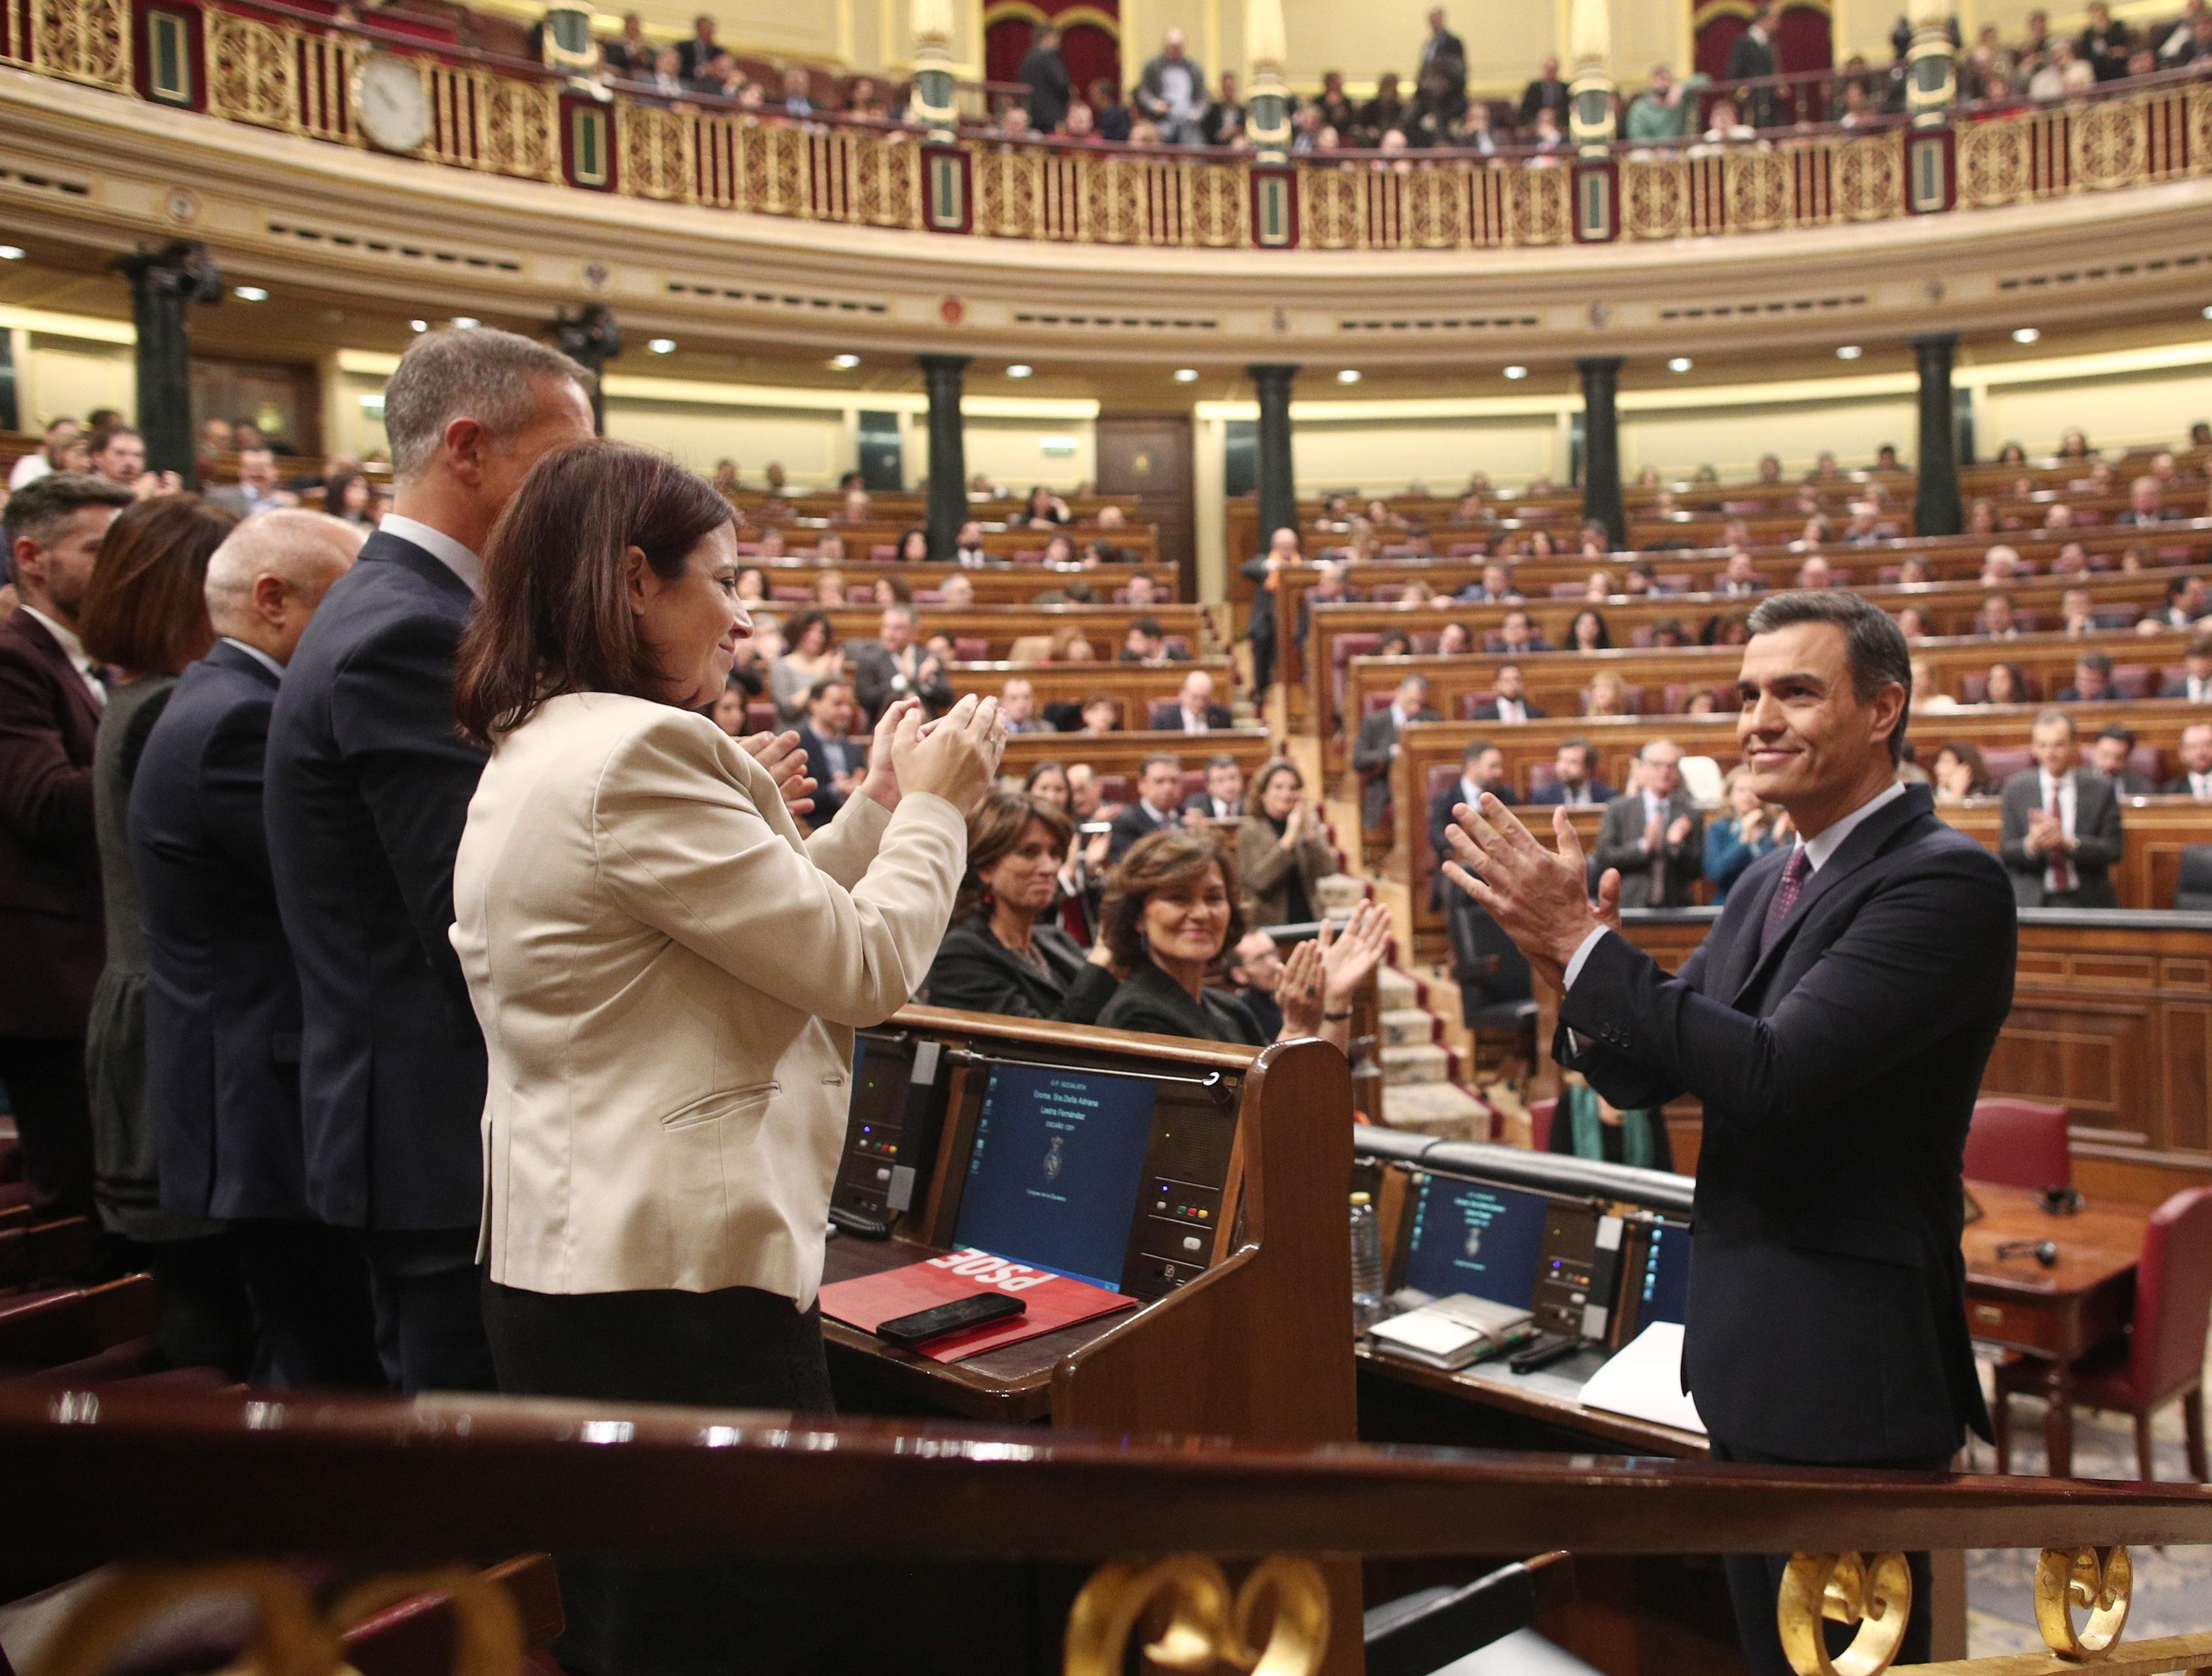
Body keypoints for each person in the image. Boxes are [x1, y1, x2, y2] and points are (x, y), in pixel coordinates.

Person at [448, 437, 1003, 1676]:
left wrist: (867, 812)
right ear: (634, 581)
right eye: (723, 578)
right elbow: (864, 970)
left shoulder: (546, 740)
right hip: (676, 1293)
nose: (744, 619)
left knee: (645, 1620)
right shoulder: (642, 752)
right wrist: (940, 809)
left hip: (582, 1261)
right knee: (740, 1627)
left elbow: (739, 930)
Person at [1439, 589, 2013, 1676]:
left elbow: (1773, 1074)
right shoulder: (1767, 875)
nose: (1756, 718)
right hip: (1745, 1355)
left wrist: (1589, 943)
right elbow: (1648, 1071)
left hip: (1851, 1374)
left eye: (1794, 690)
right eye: (1746, 692)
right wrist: (1562, 964)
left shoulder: (1943, 881)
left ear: (1882, 706)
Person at [264, 326, 596, 1395]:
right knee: (484, 1509)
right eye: (561, 465)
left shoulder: (413, 610)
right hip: (444, 1145)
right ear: (469, 448)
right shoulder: (409, 629)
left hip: (442, 1137)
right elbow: (484, 915)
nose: (577, 501)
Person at [133, 509, 383, 1389]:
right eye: (348, 603)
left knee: (309, 1329)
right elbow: (336, 884)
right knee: (315, 1345)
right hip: (261, 1089)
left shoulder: (225, 700)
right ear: (272, 599)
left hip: (255, 1074)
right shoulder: (239, 719)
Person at [77, 494, 251, 1368]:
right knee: (208, 1296)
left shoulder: (138, 700)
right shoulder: (167, 711)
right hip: (175, 1021)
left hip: (153, 1007)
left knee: (203, 1286)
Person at [0, 472, 134, 1220]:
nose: (120, 566)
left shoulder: (90, 661)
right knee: (75, 1197)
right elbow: (43, 800)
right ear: (32, 556)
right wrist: (152, 736)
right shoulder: (15, 657)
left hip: (93, 969)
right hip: (51, 986)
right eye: (97, 548)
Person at [1096, 828, 1387, 1050]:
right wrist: (1296, 1029)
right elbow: (1239, 1121)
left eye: (1214, 898)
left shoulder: (1230, 1010)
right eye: (1178, 898)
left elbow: (1306, 1095)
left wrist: (1335, 1001)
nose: (1201, 913)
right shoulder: (1135, 1018)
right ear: (1138, 916)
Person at [922, 790, 1116, 1022]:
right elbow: (1036, 1049)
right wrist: (1103, 954)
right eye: (1029, 853)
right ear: (986, 868)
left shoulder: (1055, 940)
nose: (1049, 868)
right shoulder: (961, 956)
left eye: (1054, 854)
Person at [2000, 710, 2123, 908]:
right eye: (2043, 745)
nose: (2050, 753)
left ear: (2075, 746)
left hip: (2088, 899)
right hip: (2033, 900)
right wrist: (2033, 844)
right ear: (2033, 748)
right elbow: (2007, 850)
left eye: (2058, 745)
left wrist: (2066, 842)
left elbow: (2113, 851)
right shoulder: (2015, 789)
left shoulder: (2101, 789)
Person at [1593, 738, 1703, 908]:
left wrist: (1677, 846)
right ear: (1643, 767)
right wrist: (1643, 847)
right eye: (1657, 765)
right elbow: (1604, 858)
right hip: (1630, 908)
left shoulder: (1689, 813)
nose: (1665, 771)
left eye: (1671, 765)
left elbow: (1696, 871)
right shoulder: (1618, 809)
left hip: (1675, 910)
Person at [1237, 759, 1334, 927]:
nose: (1286, 794)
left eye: (1293, 788)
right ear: (1263, 794)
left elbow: (1328, 869)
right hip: (1270, 923)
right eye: (1278, 787)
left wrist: (1310, 833)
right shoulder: (1250, 830)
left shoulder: (1307, 825)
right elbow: (1259, 881)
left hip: (1310, 919)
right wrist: (1289, 838)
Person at [1352, 673, 1439, 831]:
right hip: (1386, 789)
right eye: (1412, 701)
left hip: (1422, 788)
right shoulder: (1375, 722)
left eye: (1420, 703)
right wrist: (1390, 752)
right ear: (1398, 692)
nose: (1416, 708)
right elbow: (1358, 760)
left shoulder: (1432, 721)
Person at [1701, 766, 1788, 905]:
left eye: (1753, 791)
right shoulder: (1718, 829)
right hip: (1728, 905)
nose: (1747, 796)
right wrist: (1744, 837)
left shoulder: (1774, 829)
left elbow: (1786, 874)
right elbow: (1716, 873)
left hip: (1766, 905)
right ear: (1729, 795)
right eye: (1741, 790)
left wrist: (1779, 840)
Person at [1549, 1074, 1672, 1171]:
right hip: (1585, 1197)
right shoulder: (1572, 1100)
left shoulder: (1646, 1101)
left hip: (1637, 1197)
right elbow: (1560, 1167)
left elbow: (1664, 1168)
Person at [852, 604, 954, 721]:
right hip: (884, 728)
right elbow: (865, 699)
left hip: (925, 728)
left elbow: (947, 699)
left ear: (914, 631)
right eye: (886, 627)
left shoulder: (928, 658)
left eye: (898, 628)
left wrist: (928, 682)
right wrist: (902, 680)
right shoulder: (869, 658)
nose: (889, 634)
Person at [795, 677, 866, 825]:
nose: (846, 711)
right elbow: (791, 798)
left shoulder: (853, 748)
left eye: (849, 705)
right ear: (814, 705)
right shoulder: (796, 745)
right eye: (838, 704)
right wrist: (835, 790)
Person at [1239, 526, 1297, 692]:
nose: (1286, 550)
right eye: (1283, 546)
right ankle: (1261, 690)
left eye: (1289, 546)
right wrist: (1270, 565)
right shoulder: (1265, 562)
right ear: (1275, 547)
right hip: (1266, 620)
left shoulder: (1301, 563)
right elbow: (1245, 568)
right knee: (1262, 639)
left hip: (1291, 621)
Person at [1107, 751, 1186, 861]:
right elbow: (1130, 867)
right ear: (1142, 784)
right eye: (1159, 781)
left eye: (1174, 781)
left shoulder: (1187, 817)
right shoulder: (1124, 823)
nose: (1168, 788)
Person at [1134, 27, 1207, 145]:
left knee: (1196, 150)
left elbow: (1203, 97)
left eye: (1178, 47)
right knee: (1145, 139)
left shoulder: (1194, 69)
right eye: (1172, 46)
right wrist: (1154, 104)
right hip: (1160, 121)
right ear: (1165, 46)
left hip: (1187, 122)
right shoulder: (1153, 67)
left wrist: (1198, 112)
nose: (1174, 50)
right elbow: (1143, 92)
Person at [768, 609, 840, 727]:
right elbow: (788, 710)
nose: (817, 637)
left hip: (826, 735)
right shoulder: (780, 667)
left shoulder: (829, 665)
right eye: (810, 631)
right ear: (798, 632)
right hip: (792, 734)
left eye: (821, 633)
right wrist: (821, 677)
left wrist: (834, 673)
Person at [89, 424, 182, 500]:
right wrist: (137, 498)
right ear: (98, 457)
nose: (130, 463)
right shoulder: (86, 493)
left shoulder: (149, 489)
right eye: (120, 454)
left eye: (137, 455)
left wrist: (171, 501)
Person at [1226, 929, 1286, 1040]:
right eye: (1259, 959)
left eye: (1273, 953)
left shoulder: (1292, 996)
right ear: (1240, 974)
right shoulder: (1239, 1014)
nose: (1273, 963)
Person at [205, 445, 291, 520]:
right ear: (240, 471)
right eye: (251, 467)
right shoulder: (220, 500)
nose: (257, 472)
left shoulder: (285, 508)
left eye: (263, 466)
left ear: (276, 472)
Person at [1530, 739, 1616, 807]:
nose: (1564, 767)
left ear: (1588, 768)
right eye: (1561, 760)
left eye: (1572, 762)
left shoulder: (1608, 797)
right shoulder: (1543, 798)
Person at [10, 415, 83, 490]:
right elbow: (23, 493)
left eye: (74, 437)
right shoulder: (30, 463)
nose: (69, 441)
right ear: (48, 436)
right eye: (64, 436)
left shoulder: (81, 467)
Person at [1161, 667, 1234, 733]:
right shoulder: (1164, 719)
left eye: (1205, 699)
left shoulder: (1222, 716)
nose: (1200, 703)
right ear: (1182, 694)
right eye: (1195, 698)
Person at [1470, 662, 1546, 724]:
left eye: (1517, 680)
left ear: (1523, 684)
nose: (1513, 684)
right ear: (1496, 685)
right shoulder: (1482, 716)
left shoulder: (1537, 715)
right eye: (1507, 681)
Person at [1184, 752, 1245, 820]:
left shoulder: (1252, 806)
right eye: (1220, 780)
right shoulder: (1196, 806)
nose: (1229, 785)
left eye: (1233, 778)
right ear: (1209, 786)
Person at [1931, 741, 1996, 803]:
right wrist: (1956, 794)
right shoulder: (1932, 794)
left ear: (1966, 768)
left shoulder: (1991, 793)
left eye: (1946, 762)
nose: (1937, 768)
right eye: (1939, 762)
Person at [2162, 721, 2212, 798]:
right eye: (2193, 747)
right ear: (2182, 753)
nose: (2201, 753)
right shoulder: (2170, 792)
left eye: (2207, 745)